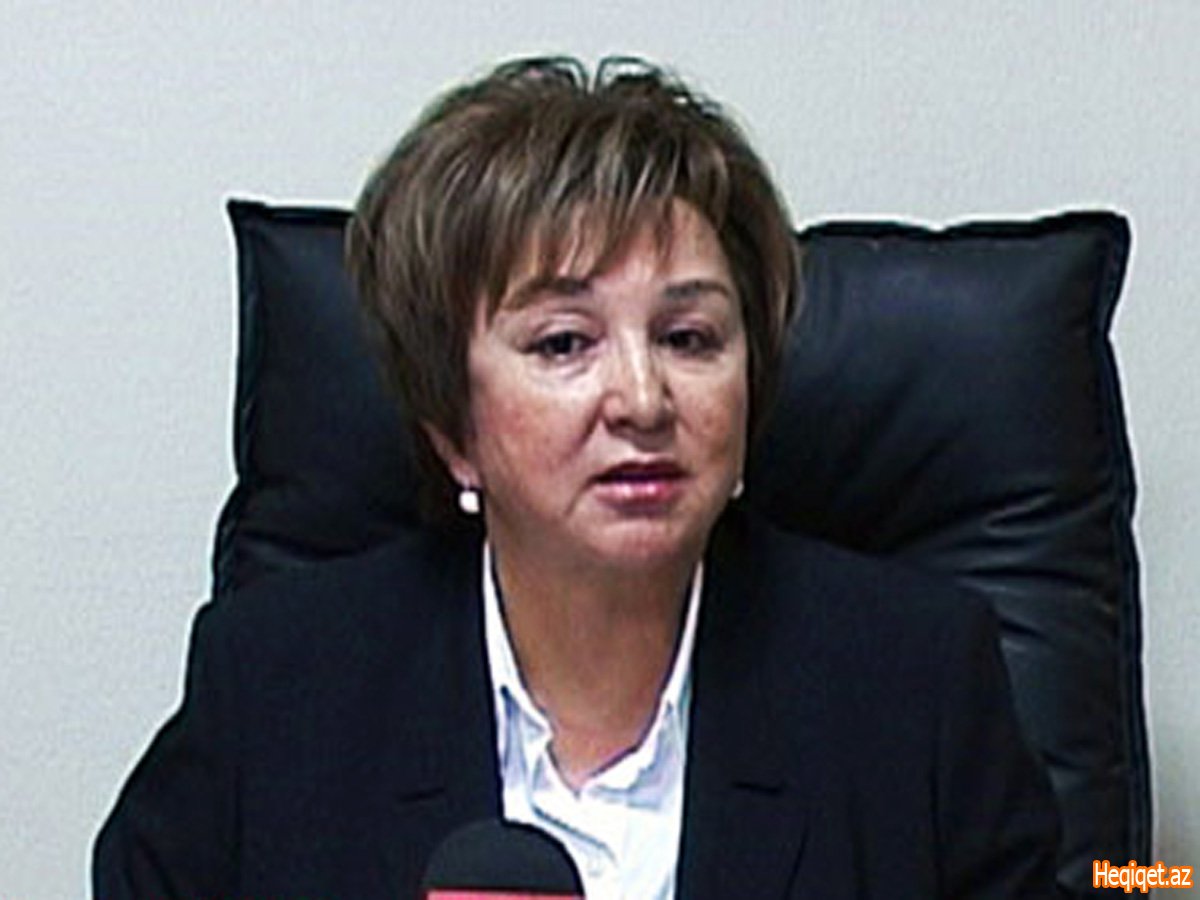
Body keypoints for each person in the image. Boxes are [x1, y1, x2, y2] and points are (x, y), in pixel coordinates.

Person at [93, 56, 1060, 898]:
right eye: (563, 343)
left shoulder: (915, 685)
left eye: (689, 338)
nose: (642, 398)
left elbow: (1110, 879)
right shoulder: (276, 690)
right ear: (453, 427)